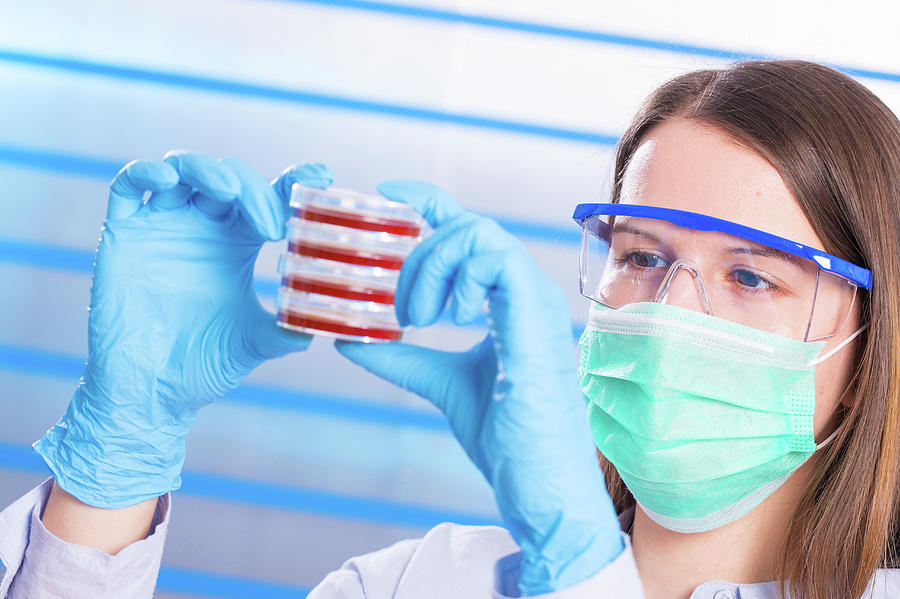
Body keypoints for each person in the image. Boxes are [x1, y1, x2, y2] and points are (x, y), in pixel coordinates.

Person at [1, 59, 898, 599]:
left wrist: (581, 564)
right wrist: (118, 464)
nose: (668, 313)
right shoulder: (417, 584)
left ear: (869, 353)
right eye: (638, 255)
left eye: (750, 276)